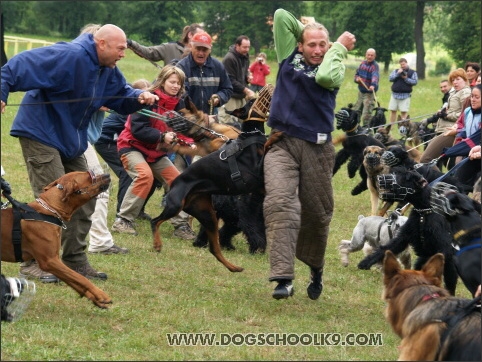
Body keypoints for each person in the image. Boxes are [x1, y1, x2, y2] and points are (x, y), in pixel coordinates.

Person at [1, 24, 158, 281]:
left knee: (88, 193)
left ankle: (74, 262)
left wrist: (139, 97)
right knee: (52, 203)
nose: (123, 53)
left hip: (71, 139)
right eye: (120, 48)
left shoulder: (108, 70)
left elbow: (120, 96)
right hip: (40, 133)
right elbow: (13, 69)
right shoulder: (68, 56)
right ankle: (32, 263)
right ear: (102, 44)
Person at [264, 8, 356, 300]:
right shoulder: (288, 56)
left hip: (317, 149)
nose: (317, 50)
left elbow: (326, 76)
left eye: (322, 45)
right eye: (311, 44)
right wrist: (304, 29)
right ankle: (283, 277)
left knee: (317, 215)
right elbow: (280, 15)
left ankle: (315, 269)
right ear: (299, 45)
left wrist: (338, 47)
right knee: (280, 202)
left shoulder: (334, 65)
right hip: (282, 144)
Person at [112, 65, 198, 239]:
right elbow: (137, 128)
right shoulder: (148, 99)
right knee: (144, 176)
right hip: (132, 147)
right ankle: (123, 220)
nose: (176, 86)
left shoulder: (179, 103)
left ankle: (181, 226)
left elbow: (181, 128)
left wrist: (189, 142)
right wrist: (162, 136)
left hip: (156, 153)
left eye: (179, 84)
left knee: (178, 181)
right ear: (162, 81)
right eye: (172, 82)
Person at [420, 68, 471, 168]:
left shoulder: (465, 93)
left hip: (451, 132)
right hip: (443, 130)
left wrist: (446, 116)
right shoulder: (455, 92)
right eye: (452, 80)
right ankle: (441, 182)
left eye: (458, 79)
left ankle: (437, 182)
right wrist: (443, 112)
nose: (455, 82)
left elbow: (465, 114)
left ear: (465, 79)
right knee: (447, 166)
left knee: (425, 160)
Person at [175, 31, 233, 117]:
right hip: (188, 118)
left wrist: (219, 97)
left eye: (205, 50)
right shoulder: (182, 67)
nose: (201, 53)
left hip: (211, 118)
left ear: (210, 49)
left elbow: (227, 89)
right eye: (198, 49)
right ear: (191, 47)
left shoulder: (218, 66)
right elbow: (180, 93)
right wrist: (195, 113)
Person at [218, 35, 256, 124]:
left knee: (243, 123)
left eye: (248, 47)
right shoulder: (229, 59)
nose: (247, 50)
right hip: (230, 96)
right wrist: (246, 90)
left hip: (241, 96)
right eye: (244, 47)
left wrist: (248, 77)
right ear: (237, 46)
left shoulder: (245, 57)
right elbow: (230, 80)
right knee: (230, 124)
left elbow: (245, 72)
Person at [127, 23, 204, 66]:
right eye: (199, 36)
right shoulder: (169, 48)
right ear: (190, 35)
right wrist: (131, 43)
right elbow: (148, 52)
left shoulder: (202, 55)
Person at [451, 84, 481, 188]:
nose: (473, 100)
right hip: (470, 152)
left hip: (476, 150)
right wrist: (457, 130)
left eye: (477, 97)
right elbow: (463, 127)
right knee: (456, 184)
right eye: (472, 96)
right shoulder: (467, 111)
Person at [387, 57, 418, 129]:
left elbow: (415, 82)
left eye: (403, 64)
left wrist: (406, 78)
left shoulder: (412, 72)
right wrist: (397, 74)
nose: (402, 66)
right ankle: (391, 127)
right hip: (395, 94)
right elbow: (390, 79)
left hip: (405, 95)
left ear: (406, 63)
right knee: (393, 111)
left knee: (403, 112)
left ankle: (404, 127)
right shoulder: (396, 71)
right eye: (401, 64)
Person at [353, 48, 379, 127]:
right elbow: (356, 74)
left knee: (366, 115)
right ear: (366, 55)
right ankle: (355, 129)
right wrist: (357, 79)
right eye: (368, 55)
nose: (370, 56)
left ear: (374, 56)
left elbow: (375, 76)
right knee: (356, 111)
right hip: (361, 92)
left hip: (369, 94)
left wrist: (373, 85)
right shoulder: (362, 64)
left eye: (372, 55)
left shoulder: (375, 66)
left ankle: (367, 131)